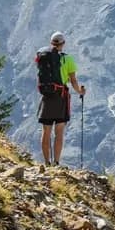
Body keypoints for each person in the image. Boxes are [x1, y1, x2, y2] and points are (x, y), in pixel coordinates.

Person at [34, 32, 83, 166]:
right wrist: (80, 91)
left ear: (51, 43)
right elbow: (73, 81)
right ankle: (56, 162)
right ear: (63, 43)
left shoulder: (44, 56)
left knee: (46, 131)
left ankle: (46, 162)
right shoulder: (68, 59)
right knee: (59, 132)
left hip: (47, 97)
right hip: (61, 97)